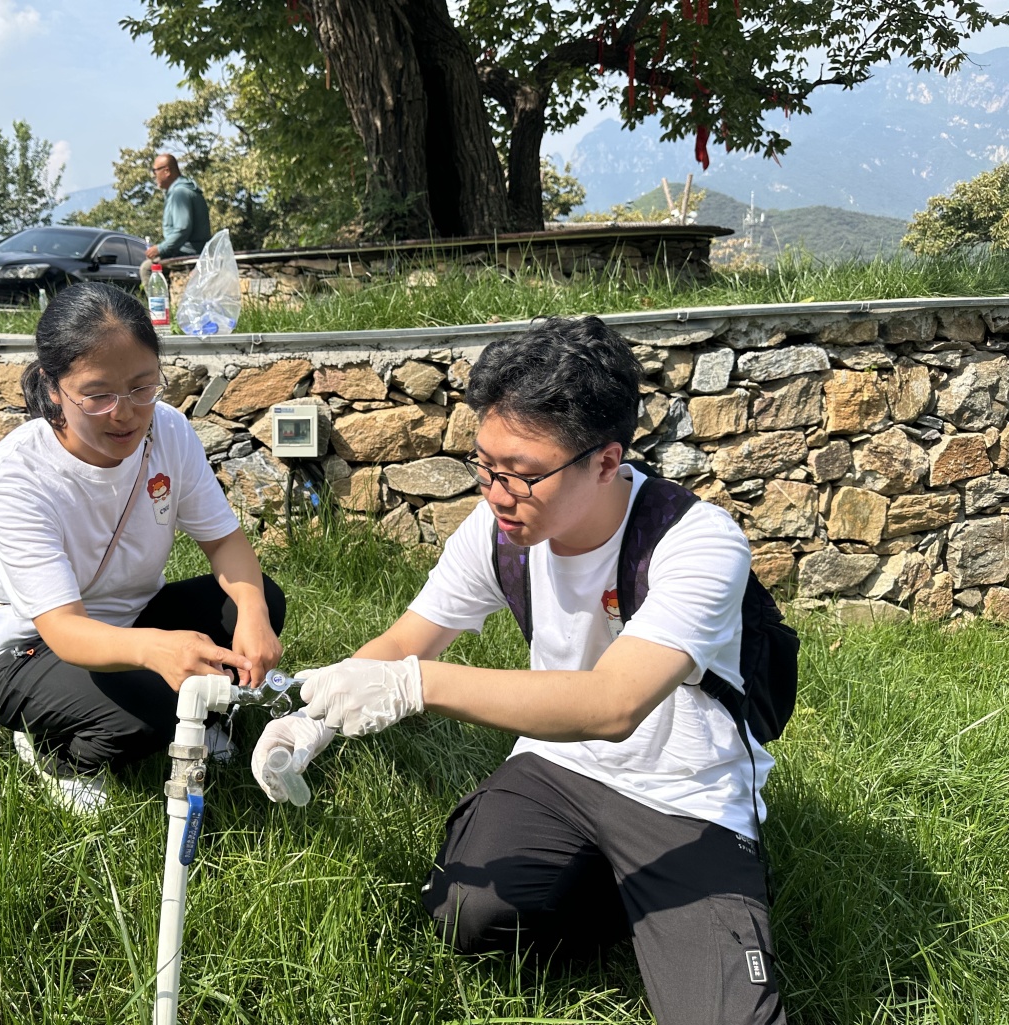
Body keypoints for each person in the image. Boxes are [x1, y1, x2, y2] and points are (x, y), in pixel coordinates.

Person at [253, 317, 787, 1024]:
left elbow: (613, 702)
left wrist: (415, 688)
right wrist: (309, 721)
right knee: (465, 913)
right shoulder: (498, 531)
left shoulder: (696, 541)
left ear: (605, 460)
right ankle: (624, 898)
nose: (498, 493)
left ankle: (675, 905)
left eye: (524, 475)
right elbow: (409, 639)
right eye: (485, 466)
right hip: (556, 768)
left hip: (685, 794)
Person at [0, 282, 285, 814]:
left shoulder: (169, 433)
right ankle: (58, 750)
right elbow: (64, 628)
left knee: (261, 599)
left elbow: (226, 542)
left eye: (142, 387)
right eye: (98, 394)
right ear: (52, 386)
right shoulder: (20, 473)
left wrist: (251, 612)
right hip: (25, 648)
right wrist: (159, 652)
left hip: (130, 620)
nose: (125, 412)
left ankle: (200, 713)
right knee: (157, 707)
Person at [140, 153, 212, 288]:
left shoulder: (180, 193)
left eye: (155, 171)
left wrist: (161, 248)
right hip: (196, 249)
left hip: (189, 252)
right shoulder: (185, 189)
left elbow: (182, 229)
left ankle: (159, 309)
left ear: (166, 171)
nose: (154, 176)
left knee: (147, 269)